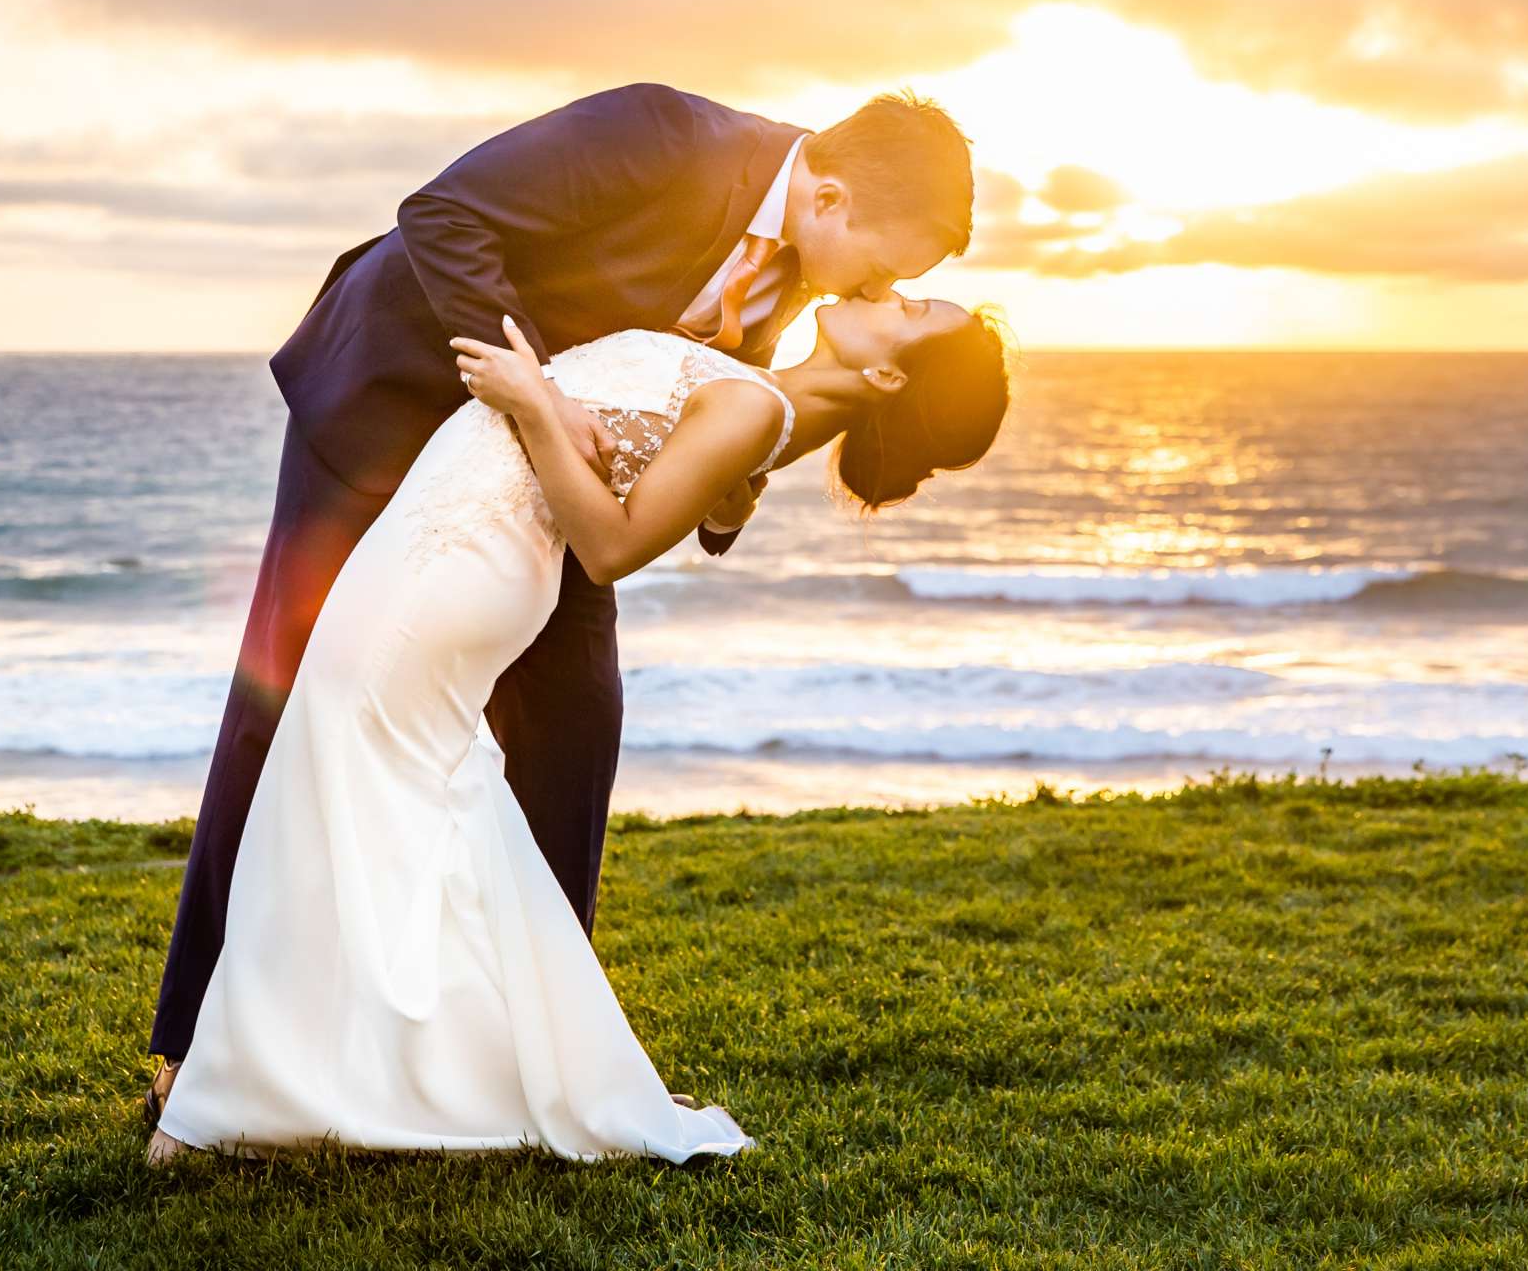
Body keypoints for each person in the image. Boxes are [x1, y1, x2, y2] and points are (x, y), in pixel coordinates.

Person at [143, 82, 977, 1127]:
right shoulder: (663, 135)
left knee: (578, 719)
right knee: (287, 686)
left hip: (537, 482)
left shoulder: (794, 285)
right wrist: (545, 395)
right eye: (894, 267)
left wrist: (723, 486)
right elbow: (443, 215)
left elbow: (694, 418)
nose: (883, 286)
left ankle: (562, 1059)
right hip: (393, 398)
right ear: (836, 200)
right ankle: (187, 1042)